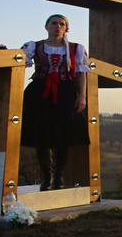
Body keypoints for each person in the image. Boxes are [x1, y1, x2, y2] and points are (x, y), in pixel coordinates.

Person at [19, 14, 90, 190]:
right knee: (41, 135)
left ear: (66, 28)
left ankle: (59, 175)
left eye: (61, 24)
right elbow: (17, 60)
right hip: (40, 92)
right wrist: (5, 51)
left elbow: (81, 73)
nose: (57, 26)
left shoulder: (76, 48)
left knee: (63, 134)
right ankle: (46, 176)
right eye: (54, 23)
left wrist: (82, 96)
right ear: (46, 26)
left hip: (65, 92)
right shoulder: (35, 46)